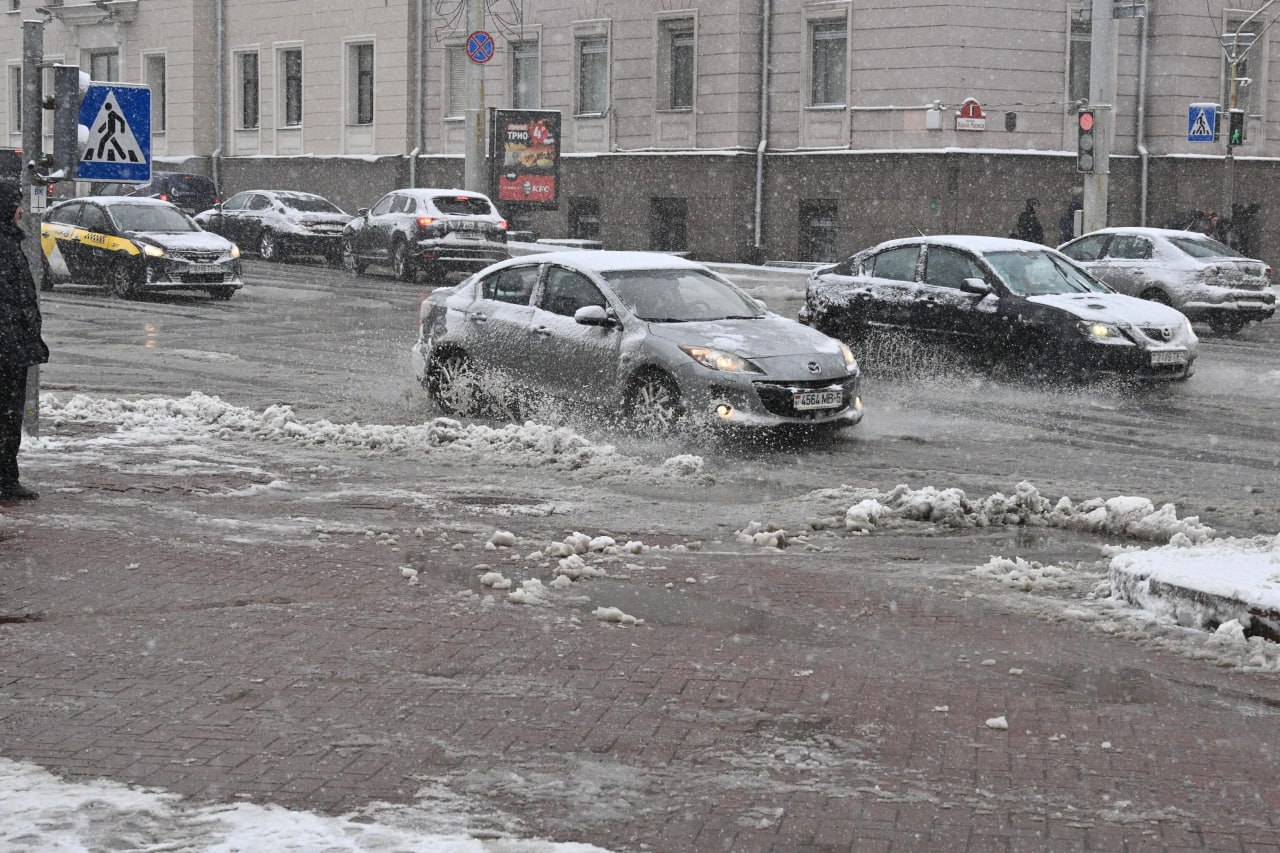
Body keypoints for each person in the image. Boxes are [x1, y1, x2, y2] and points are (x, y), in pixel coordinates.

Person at [0, 180, 50, 501]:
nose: (21, 210)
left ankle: (6, 476)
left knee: (8, 415)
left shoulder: (9, 243)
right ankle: (5, 479)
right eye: (16, 204)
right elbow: (11, 302)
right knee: (7, 416)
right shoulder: (5, 247)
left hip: (11, 346)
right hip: (7, 350)